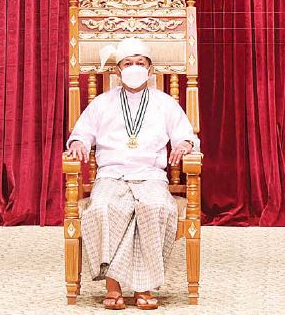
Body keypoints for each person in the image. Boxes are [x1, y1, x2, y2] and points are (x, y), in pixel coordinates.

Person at [64, 37, 199, 311]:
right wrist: (78, 142)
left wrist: (184, 144)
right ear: (118, 70)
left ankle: (143, 287)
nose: (134, 68)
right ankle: (112, 286)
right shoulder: (102, 103)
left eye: (140, 63)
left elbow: (185, 135)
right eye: (128, 63)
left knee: (155, 208)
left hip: (150, 176)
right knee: (102, 208)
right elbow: (81, 132)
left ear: (150, 69)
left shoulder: (165, 103)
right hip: (111, 176)